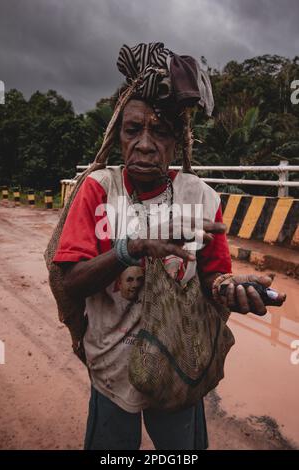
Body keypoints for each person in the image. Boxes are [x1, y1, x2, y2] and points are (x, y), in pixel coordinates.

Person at [51, 43, 286, 450]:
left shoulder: (200, 197)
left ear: (177, 142)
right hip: (111, 369)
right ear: (118, 135)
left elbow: (215, 274)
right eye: (133, 130)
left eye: (160, 132)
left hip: (179, 365)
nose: (144, 144)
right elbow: (70, 283)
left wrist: (227, 289)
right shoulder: (97, 189)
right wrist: (133, 247)